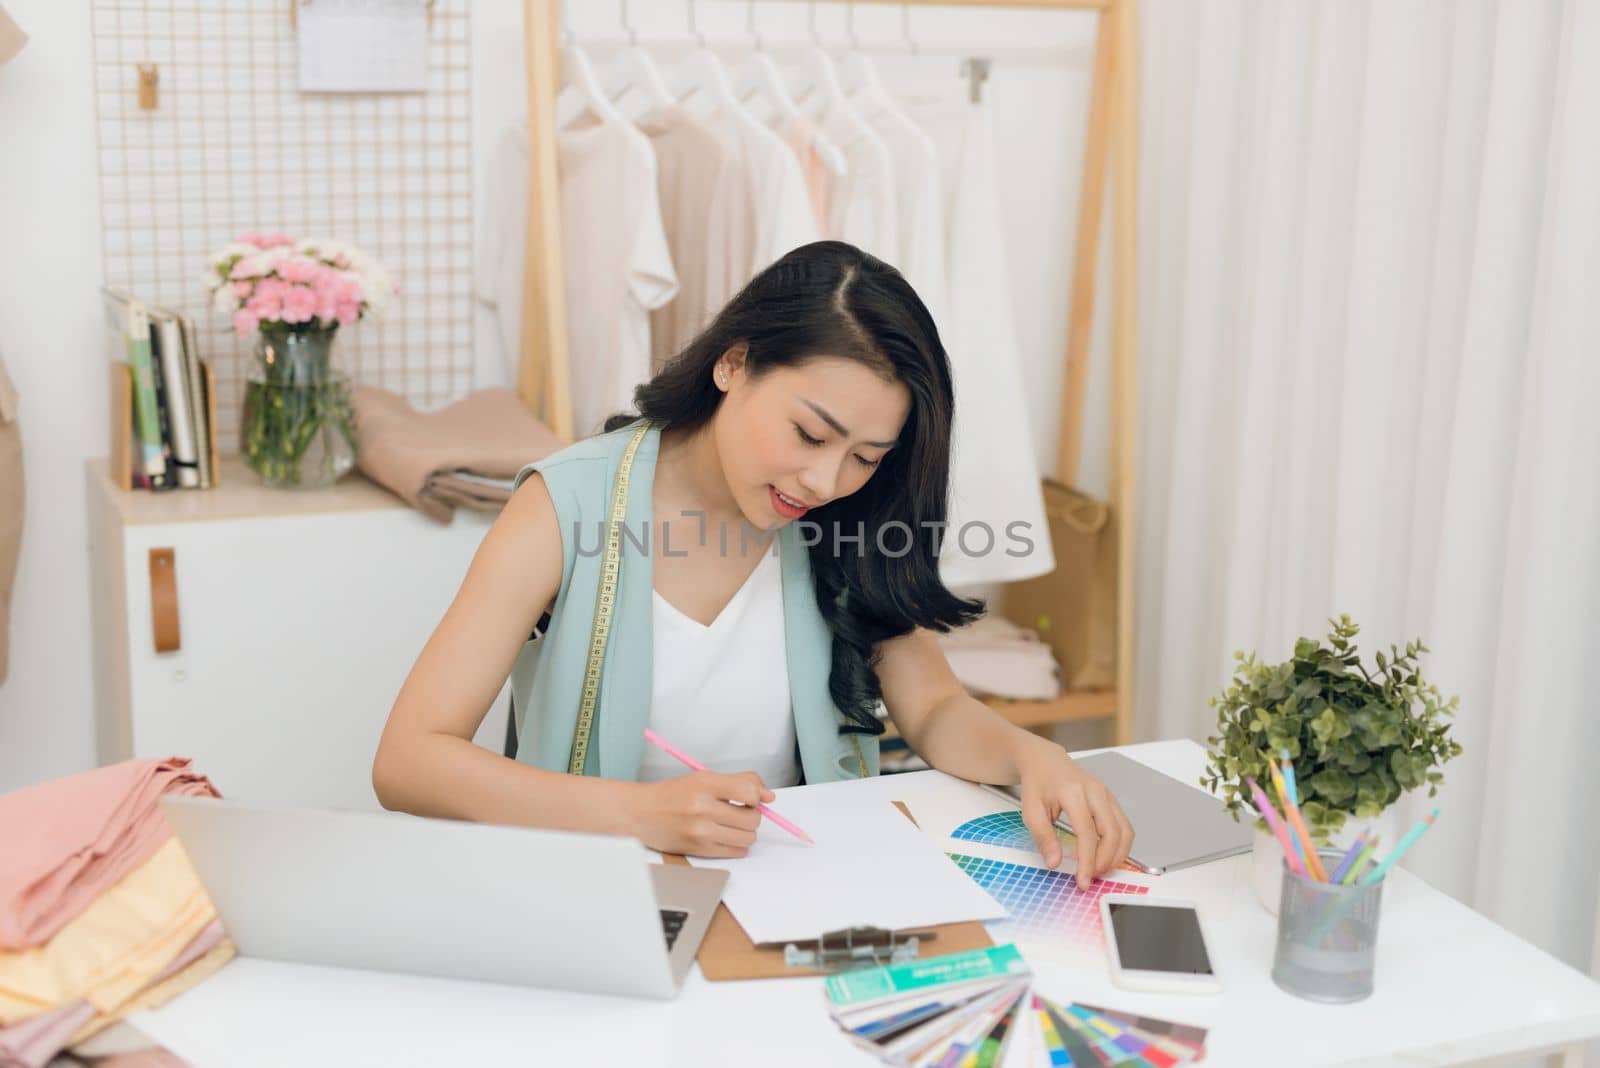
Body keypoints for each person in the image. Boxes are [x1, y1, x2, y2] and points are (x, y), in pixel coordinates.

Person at [372, 241, 1132, 887]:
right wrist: (642, 815)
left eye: (865, 457)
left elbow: (932, 709)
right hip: (600, 889)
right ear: (734, 363)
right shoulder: (567, 507)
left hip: (791, 886)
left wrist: (1031, 756)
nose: (824, 482)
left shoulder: (842, 523)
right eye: (808, 434)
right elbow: (409, 760)